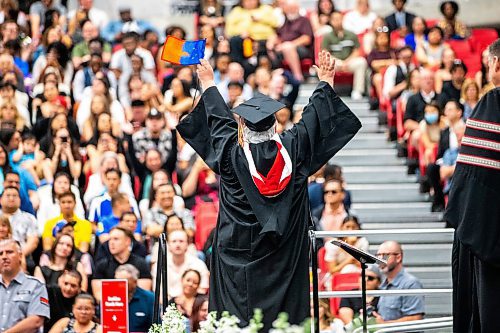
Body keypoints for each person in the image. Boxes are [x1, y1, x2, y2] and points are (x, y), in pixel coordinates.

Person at [176, 52, 361, 330]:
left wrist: (209, 83)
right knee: (283, 319)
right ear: (275, 125)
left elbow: (217, 119)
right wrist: (325, 82)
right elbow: (311, 121)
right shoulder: (294, 148)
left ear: (242, 127)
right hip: (284, 256)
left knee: (236, 318)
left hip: (237, 256)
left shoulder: (230, 154)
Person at [444, 39, 500, 332]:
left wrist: (462, 220)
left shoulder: (493, 104)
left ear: (496, 64)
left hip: (491, 239)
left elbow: (475, 184)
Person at [0, 238, 50, 332]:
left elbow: (36, 321)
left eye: (9, 252)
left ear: (20, 256)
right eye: (0, 253)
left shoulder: (36, 286)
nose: (4, 257)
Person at [92, 226, 151, 302]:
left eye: (116, 239)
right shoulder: (102, 265)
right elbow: (98, 294)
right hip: (111, 305)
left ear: (128, 241)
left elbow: (144, 292)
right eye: (110, 239)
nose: (111, 243)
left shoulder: (141, 263)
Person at [373, 241, 425, 323]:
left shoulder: (410, 283)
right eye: (378, 255)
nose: (380, 260)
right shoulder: (384, 285)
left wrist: (385, 325)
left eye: (385, 255)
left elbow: (415, 319)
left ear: (398, 258)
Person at [321, 11, 368, 100]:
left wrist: (346, 62)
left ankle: (358, 91)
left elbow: (356, 51)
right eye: (334, 19)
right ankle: (328, 92)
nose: (337, 21)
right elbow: (325, 53)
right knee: (327, 63)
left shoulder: (351, 34)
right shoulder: (327, 36)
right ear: (330, 21)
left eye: (339, 19)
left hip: (349, 62)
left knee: (362, 62)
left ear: (342, 19)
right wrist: (339, 62)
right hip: (335, 62)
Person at [162, 230, 209, 299]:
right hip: (168, 304)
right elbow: (159, 292)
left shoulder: (199, 264)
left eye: (181, 241)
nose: (178, 245)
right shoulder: (160, 265)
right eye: (174, 241)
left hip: (192, 304)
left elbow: (202, 289)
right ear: (168, 244)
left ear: (187, 244)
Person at [115, 264, 154, 333]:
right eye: (117, 281)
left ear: (135, 282)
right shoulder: (108, 297)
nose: (120, 284)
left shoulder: (149, 298)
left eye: (124, 282)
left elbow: (155, 326)